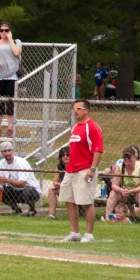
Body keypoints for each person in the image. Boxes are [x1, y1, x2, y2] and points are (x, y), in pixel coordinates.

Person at [59, 100, 103, 242]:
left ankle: (89, 234)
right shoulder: (75, 127)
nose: (75, 111)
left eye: (79, 108)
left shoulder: (92, 127)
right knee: (69, 200)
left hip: (85, 169)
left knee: (86, 202)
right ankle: (74, 232)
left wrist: (92, 169)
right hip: (71, 170)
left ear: (86, 110)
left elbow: (98, 150)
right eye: (74, 108)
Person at [105, 147, 140, 225]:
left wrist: (131, 191)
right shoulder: (120, 167)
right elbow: (114, 185)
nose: (126, 159)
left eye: (129, 156)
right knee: (113, 193)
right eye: (124, 157)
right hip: (126, 192)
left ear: (134, 157)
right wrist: (121, 190)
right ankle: (107, 218)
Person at [0, 141, 41, 216]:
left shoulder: (21, 162)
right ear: (1, 152)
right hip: (15, 190)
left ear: (12, 150)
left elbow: (22, 184)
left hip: (30, 189)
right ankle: (16, 209)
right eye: (5, 151)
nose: (7, 153)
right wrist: (0, 185)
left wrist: (6, 180)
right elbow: (1, 181)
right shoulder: (1, 163)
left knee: (28, 192)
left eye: (9, 150)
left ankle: (33, 209)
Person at [48, 146, 70, 220]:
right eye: (63, 155)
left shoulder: (74, 166)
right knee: (51, 190)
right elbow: (55, 181)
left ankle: (72, 216)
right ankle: (51, 215)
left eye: (67, 155)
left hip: (73, 188)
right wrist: (59, 185)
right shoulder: (59, 166)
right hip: (63, 187)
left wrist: (61, 184)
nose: (65, 157)